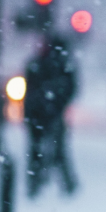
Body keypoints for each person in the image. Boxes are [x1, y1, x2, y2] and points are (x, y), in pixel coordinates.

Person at [24, 35, 78, 198]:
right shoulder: (62, 65)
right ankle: (64, 184)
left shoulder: (39, 63)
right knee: (55, 150)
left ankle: (36, 184)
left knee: (40, 150)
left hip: (41, 113)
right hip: (47, 113)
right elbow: (70, 89)